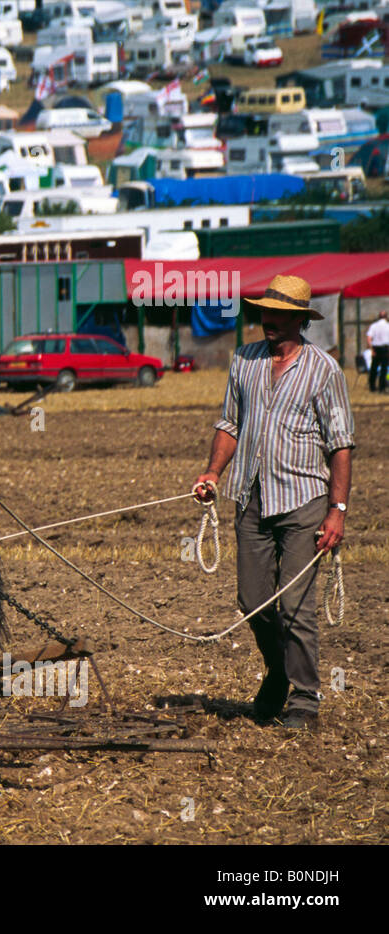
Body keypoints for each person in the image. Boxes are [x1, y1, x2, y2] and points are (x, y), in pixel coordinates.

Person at [193, 275, 354, 732]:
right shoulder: (243, 360)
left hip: (304, 499)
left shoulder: (324, 370)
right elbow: (229, 424)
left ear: (299, 319)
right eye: (264, 311)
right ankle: (278, 672)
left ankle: (304, 699)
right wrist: (213, 473)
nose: (267, 319)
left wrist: (336, 511)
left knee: (296, 606)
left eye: (277, 313)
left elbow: (341, 445)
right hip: (251, 496)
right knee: (253, 599)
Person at [367, 310, 389, 393]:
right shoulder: (387, 326)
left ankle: (372, 387)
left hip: (376, 348)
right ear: (386, 317)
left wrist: (371, 349)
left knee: (374, 368)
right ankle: (382, 387)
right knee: (384, 369)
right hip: (385, 349)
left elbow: (369, 338)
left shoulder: (374, 326)